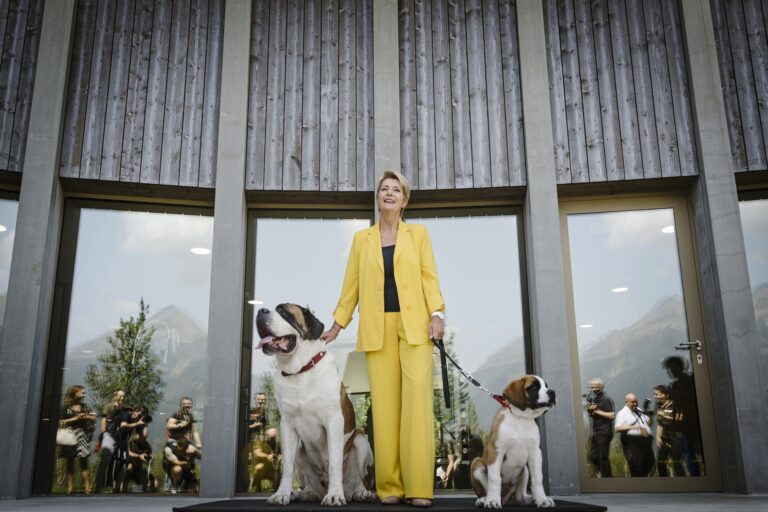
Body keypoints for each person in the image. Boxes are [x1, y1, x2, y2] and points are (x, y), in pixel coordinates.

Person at [321, 170, 446, 508]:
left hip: (415, 328)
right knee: (386, 409)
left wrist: (437, 314)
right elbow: (351, 287)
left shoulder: (419, 235)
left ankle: (419, 487)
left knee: (417, 407)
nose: (390, 193)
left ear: (404, 201)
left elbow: (429, 278)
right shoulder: (362, 240)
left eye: (396, 190)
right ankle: (390, 486)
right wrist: (337, 326)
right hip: (377, 330)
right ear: (378, 198)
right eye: (384, 189)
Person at [663, 356, 702, 476]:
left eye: (672, 368)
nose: (671, 372)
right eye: (670, 369)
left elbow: (686, 399)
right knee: (687, 454)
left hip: (689, 424)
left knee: (691, 453)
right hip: (681, 426)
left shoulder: (688, 382)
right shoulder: (675, 385)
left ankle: (696, 477)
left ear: (680, 367)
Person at [57, 385, 96, 494]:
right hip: (69, 435)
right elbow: (60, 422)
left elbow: (92, 418)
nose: (84, 395)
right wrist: (76, 418)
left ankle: (87, 487)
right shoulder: (66, 407)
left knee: (84, 461)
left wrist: (89, 418)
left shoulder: (85, 406)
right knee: (70, 461)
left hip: (82, 435)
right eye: (82, 393)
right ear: (75, 393)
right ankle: (70, 488)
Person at [614, 393, 654, 477]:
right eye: (632, 402)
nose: (635, 404)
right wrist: (634, 427)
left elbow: (648, 422)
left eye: (636, 402)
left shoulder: (639, 410)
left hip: (645, 442)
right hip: (632, 442)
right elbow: (617, 428)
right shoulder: (622, 413)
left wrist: (649, 414)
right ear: (626, 402)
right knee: (637, 465)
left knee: (649, 464)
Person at [94, 388, 126, 493]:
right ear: (115, 395)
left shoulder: (124, 408)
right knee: (105, 460)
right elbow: (104, 420)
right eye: (120, 396)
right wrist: (104, 433)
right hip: (109, 434)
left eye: (123, 396)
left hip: (119, 437)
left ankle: (114, 486)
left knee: (121, 461)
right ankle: (98, 486)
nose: (122, 398)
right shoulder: (108, 406)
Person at [653, 385, 686, 477]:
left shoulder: (675, 405)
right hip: (665, 437)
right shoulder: (659, 406)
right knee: (660, 461)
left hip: (676, 436)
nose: (656, 397)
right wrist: (658, 437)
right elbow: (660, 423)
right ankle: (664, 481)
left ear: (666, 395)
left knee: (676, 461)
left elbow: (677, 418)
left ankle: (683, 481)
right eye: (655, 395)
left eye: (659, 394)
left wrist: (663, 414)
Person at [586, 378, 615, 478]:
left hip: (604, 432)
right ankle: (603, 474)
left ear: (601, 387)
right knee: (592, 456)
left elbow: (611, 415)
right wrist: (591, 411)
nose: (594, 389)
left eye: (596, 387)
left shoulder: (606, 399)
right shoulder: (595, 399)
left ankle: (607, 478)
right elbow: (594, 414)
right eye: (592, 387)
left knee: (603, 457)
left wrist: (596, 411)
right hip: (596, 432)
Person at [117, 426, 157, 492]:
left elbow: (148, 461)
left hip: (138, 470)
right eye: (143, 436)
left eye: (146, 436)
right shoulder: (130, 441)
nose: (145, 437)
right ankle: (123, 486)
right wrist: (138, 456)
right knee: (129, 466)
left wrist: (151, 459)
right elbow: (127, 452)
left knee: (154, 483)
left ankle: (132, 490)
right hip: (127, 467)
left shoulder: (146, 445)